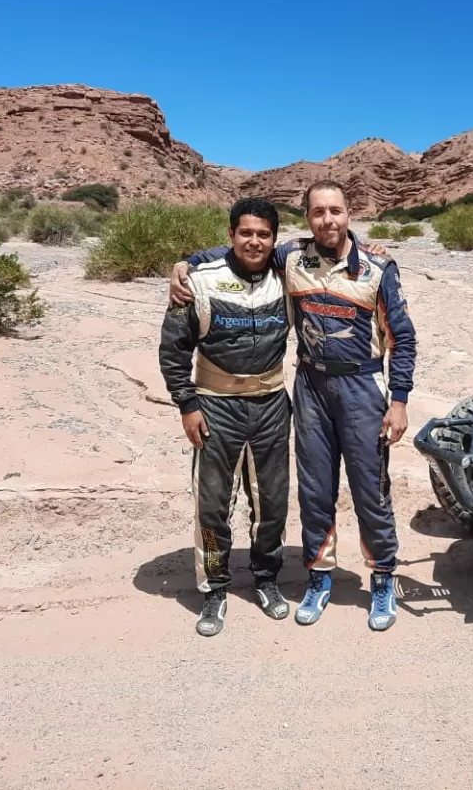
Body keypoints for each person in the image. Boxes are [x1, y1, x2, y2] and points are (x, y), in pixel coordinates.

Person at [170, 180, 417, 632]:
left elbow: (403, 338)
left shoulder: (379, 268)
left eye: (336, 211)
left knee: (370, 489)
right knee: (315, 490)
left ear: (349, 213)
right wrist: (184, 265)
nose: (328, 220)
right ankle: (319, 576)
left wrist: (398, 401)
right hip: (310, 386)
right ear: (307, 218)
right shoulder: (291, 257)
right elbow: (243, 248)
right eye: (318, 212)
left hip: (362, 388)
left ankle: (382, 576)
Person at [158, 197, 293, 637]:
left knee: (272, 502)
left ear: (274, 239)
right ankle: (214, 585)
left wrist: (375, 252)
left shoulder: (288, 274)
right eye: (246, 233)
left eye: (264, 234)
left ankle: (267, 579)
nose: (254, 241)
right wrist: (187, 405)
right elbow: (174, 349)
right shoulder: (200, 280)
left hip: (272, 403)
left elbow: (331, 252)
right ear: (231, 234)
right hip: (215, 403)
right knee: (213, 505)